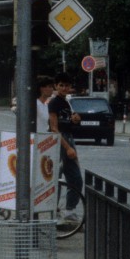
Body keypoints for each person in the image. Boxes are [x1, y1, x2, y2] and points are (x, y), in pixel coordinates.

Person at [48, 72, 83, 224]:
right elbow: (54, 128)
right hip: (60, 141)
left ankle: (67, 211)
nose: (64, 88)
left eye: (66, 85)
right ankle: (57, 212)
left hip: (67, 138)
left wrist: (75, 120)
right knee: (62, 178)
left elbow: (66, 122)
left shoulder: (66, 102)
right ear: (56, 86)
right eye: (61, 85)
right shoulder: (54, 102)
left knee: (71, 178)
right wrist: (68, 148)